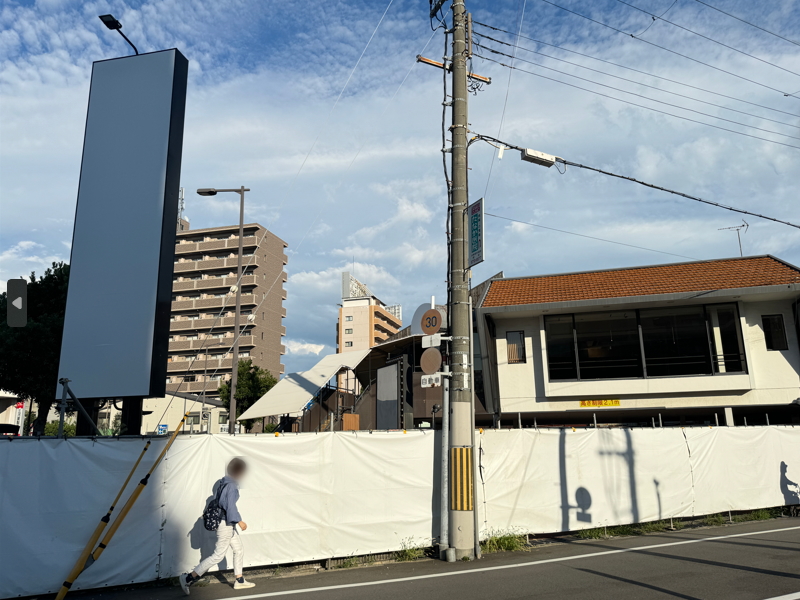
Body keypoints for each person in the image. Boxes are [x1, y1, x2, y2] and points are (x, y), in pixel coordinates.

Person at [181, 458, 255, 594]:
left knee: (238, 549)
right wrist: (240, 521)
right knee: (218, 555)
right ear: (239, 472)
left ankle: (239, 580)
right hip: (226, 524)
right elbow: (229, 506)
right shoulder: (231, 486)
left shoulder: (224, 483)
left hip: (226, 523)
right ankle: (188, 577)